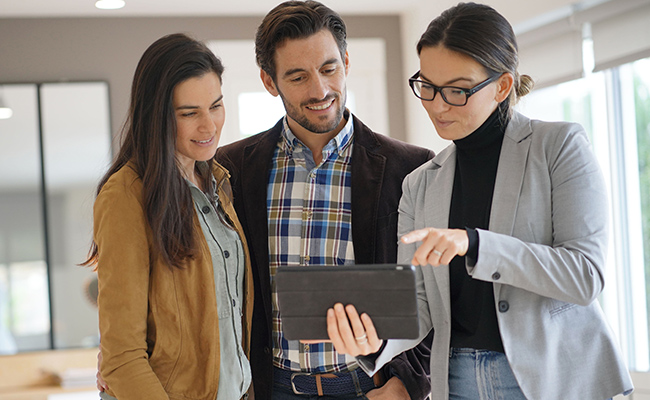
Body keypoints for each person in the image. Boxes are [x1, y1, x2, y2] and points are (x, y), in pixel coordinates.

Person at [325, 2, 634, 400]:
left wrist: (475, 243)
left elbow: (584, 275)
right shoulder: (420, 183)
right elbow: (418, 302)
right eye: (428, 86)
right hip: (457, 381)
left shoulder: (558, 146)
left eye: (457, 90)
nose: (437, 104)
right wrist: (374, 340)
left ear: (502, 86)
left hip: (552, 380)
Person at [215, 1, 434, 399]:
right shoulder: (229, 168)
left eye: (329, 69)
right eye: (297, 77)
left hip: (371, 387)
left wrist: (409, 379)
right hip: (268, 387)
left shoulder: (412, 168)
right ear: (269, 81)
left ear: (346, 61)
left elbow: (439, 291)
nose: (320, 90)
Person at [84, 33, 254, 400]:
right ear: (156, 115)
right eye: (189, 113)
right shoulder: (126, 195)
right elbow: (121, 356)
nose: (209, 126)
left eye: (216, 105)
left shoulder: (217, 180)